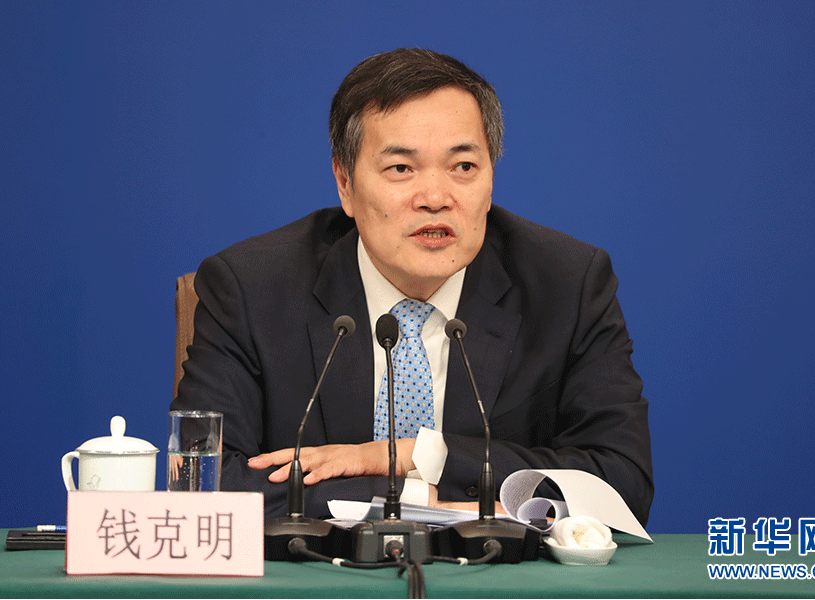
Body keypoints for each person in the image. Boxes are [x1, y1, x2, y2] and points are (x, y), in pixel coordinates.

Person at [172, 48, 653, 526]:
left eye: (463, 167)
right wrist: (421, 503)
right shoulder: (252, 288)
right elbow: (201, 486)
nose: (436, 198)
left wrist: (420, 456)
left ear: (491, 179)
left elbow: (622, 485)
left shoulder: (567, 285)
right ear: (345, 184)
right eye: (401, 169)